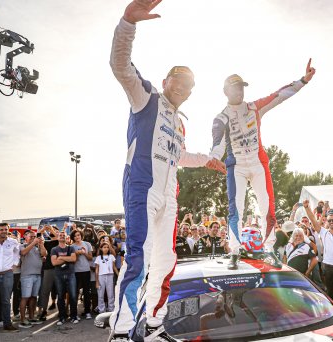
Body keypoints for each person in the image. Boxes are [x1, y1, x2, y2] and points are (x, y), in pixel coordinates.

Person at [108, 1, 226, 340]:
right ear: (166, 80)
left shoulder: (180, 123)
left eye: (190, 85)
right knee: (138, 258)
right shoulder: (146, 97)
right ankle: (122, 330)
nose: (184, 87)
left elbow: (180, 156)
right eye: (179, 80)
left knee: (166, 263)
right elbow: (120, 65)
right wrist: (128, 24)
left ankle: (155, 325)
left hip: (168, 196)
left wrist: (207, 160)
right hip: (142, 187)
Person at [209, 60, 316, 270]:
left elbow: (279, 95)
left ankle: (268, 250)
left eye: (241, 87)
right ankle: (235, 251)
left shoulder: (254, 107)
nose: (239, 91)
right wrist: (213, 158)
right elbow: (217, 143)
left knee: (268, 209)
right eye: (235, 88)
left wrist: (303, 81)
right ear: (225, 91)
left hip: (258, 164)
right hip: (236, 167)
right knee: (235, 209)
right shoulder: (221, 117)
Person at [303, 201, 333, 299]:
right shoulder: (324, 232)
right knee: (330, 290)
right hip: (328, 265)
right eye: (329, 221)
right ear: (327, 222)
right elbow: (313, 221)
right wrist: (307, 208)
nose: (331, 222)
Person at [0, 223, 20, 332]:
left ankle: (7, 324)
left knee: (6, 301)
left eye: (5, 229)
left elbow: (17, 253)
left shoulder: (13, 242)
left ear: (8, 230)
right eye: (1, 229)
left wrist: (15, 263)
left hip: (7, 274)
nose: (4, 231)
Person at [18, 230, 47, 328]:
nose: (33, 238)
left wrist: (41, 244)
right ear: (25, 236)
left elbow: (44, 254)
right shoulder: (22, 246)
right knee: (25, 297)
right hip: (27, 276)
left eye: (34, 236)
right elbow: (23, 252)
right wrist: (34, 243)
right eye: (31, 236)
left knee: (34, 297)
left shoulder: (36, 247)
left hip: (37, 275)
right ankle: (22, 319)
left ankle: (31, 317)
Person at [51, 230, 78, 325]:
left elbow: (73, 259)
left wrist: (61, 258)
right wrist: (67, 258)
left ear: (67, 238)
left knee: (73, 296)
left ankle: (74, 316)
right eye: (60, 235)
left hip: (71, 274)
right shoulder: (54, 249)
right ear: (58, 237)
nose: (62, 236)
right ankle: (62, 317)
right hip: (59, 275)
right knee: (60, 297)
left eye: (63, 235)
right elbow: (54, 262)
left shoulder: (71, 248)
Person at [71, 229, 94, 320]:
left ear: (81, 235)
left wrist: (84, 253)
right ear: (73, 237)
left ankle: (87, 312)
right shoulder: (72, 247)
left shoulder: (87, 244)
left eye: (78, 235)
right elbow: (73, 260)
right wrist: (77, 253)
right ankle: (75, 314)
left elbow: (90, 258)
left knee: (86, 292)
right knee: (75, 293)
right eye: (75, 236)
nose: (77, 237)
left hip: (86, 271)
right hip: (76, 271)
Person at [95, 242, 118, 314]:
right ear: (101, 248)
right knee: (100, 294)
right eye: (104, 247)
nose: (106, 249)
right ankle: (101, 309)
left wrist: (119, 274)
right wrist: (97, 281)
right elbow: (96, 270)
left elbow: (114, 267)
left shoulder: (111, 256)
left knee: (110, 293)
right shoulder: (98, 258)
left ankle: (111, 309)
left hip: (110, 276)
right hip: (101, 276)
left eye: (107, 247)